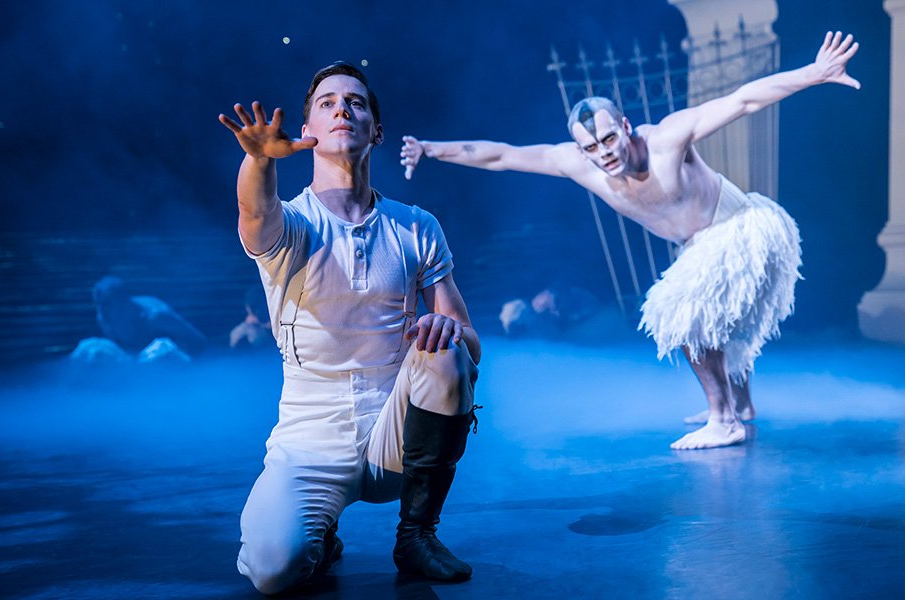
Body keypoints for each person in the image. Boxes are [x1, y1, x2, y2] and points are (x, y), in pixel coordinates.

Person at [401, 32, 859, 450]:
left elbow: (742, 101)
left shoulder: (666, 139)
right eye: (592, 148)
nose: (605, 154)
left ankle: (724, 420)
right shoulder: (579, 163)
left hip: (741, 225)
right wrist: (430, 148)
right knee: (717, 323)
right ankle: (740, 407)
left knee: (681, 315)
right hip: (702, 242)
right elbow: (502, 155)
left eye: (608, 139)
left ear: (625, 126)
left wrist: (814, 73)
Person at [218, 62, 482, 594]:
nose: (343, 108)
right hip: (311, 443)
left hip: (397, 437)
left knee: (448, 351)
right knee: (273, 570)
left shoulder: (415, 225)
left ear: (376, 131)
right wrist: (256, 161)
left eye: (357, 102)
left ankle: (416, 535)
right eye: (328, 101)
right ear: (307, 129)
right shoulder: (293, 223)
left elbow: (471, 341)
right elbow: (254, 213)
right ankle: (319, 534)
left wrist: (443, 328)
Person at [69, 275, 207, 364]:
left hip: (171, 359)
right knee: (89, 349)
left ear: (123, 302)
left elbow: (198, 341)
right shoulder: (104, 317)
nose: (101, 310)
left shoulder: (155, 316)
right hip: (136, 360)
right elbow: (121, 349)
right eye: (98, 304)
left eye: (107, 305)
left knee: (160, 352)